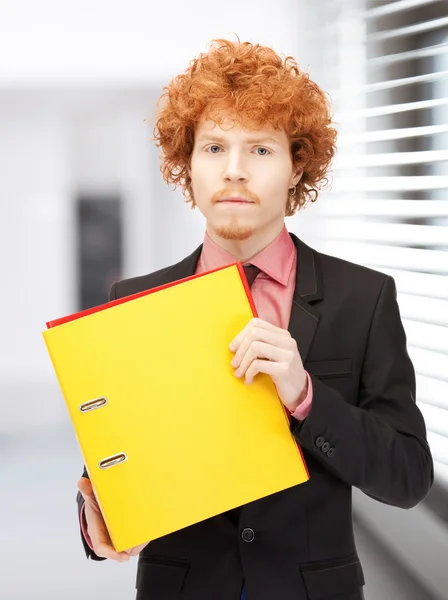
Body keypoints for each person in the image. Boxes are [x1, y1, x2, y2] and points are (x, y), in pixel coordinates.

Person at [76, 38, 433, 600]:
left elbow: (408, 477)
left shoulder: (363, 299)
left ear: (296, 168)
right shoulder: (134, 300)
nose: (234, 171)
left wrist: (308, 397)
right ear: (186, 165)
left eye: (261, 151)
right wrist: (97, 511)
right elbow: (115, 460)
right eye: (213, 148)